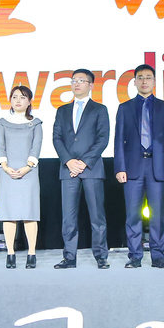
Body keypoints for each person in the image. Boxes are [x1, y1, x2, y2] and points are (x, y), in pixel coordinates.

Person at [114, 63, 164, 268]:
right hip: (132, 167)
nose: (144, 81)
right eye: (140, 77)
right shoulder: (124, 108)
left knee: (157, 215)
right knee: (132, 215)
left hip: (157, 166)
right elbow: (118, 140)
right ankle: (135, 256)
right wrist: (120, 168)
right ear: (134, 82)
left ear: (155, 82)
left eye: (148, 77)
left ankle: (158, 256)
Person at [53, 68, 111, 269]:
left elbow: (103, 138)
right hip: (68, 169)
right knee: (68, 218)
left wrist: (84, 162)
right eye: (74, 80)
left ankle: (101, 256)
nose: (76, 83)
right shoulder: (62, 110)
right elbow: (57, 138)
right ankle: (69, 257)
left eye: (81, 80)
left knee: (97, 216)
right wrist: (69, 161)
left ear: (91, 85)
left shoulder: (99, 109)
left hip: (92, 168)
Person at [0, 85, 44, 268]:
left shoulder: (36, 124)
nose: (18, 100)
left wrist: (27, 167)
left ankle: (31, 253)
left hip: (29, 172)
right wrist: (5, 167)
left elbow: (36, 147)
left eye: (22, 97)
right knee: (9, 214)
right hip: (7, 172)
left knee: (29, 213)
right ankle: (10, 254)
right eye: (15, 97)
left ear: (29, 101)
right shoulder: (3, 123)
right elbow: (0, 146)